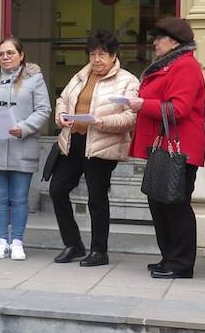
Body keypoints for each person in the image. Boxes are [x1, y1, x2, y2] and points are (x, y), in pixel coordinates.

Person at [49, 30, 139, 266]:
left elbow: (131, 117)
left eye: (102, 54)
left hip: (101, 144)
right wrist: (61, 117)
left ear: (114, 55)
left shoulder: (127, 81)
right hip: (74, 140)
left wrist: (103, 122)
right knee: (57, 190)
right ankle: (73, 245)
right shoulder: (81, 76)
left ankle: (99, 251)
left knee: (96, 198)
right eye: (92, 54)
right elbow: (62, 99)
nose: (97, 59)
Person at [127, 16, 205, 279]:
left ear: (173, 42)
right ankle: (169, 257)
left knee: (176, 204)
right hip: (164, 146)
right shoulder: (171, 65)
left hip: (180, 147)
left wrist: (141, 105)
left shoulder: (185, 66)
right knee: (160, 202)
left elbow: (179, 109)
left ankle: (181, 263)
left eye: (159, 38)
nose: (154, 43)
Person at [0, 37, 51, 260]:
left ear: (21, 55)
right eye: (2, 54)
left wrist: (24, 127)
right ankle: (0, 241)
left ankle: (17, 241)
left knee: (18, 197)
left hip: (22, 145)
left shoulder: (35, 79)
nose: (5, 57)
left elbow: (44, 110)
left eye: (10, 53)